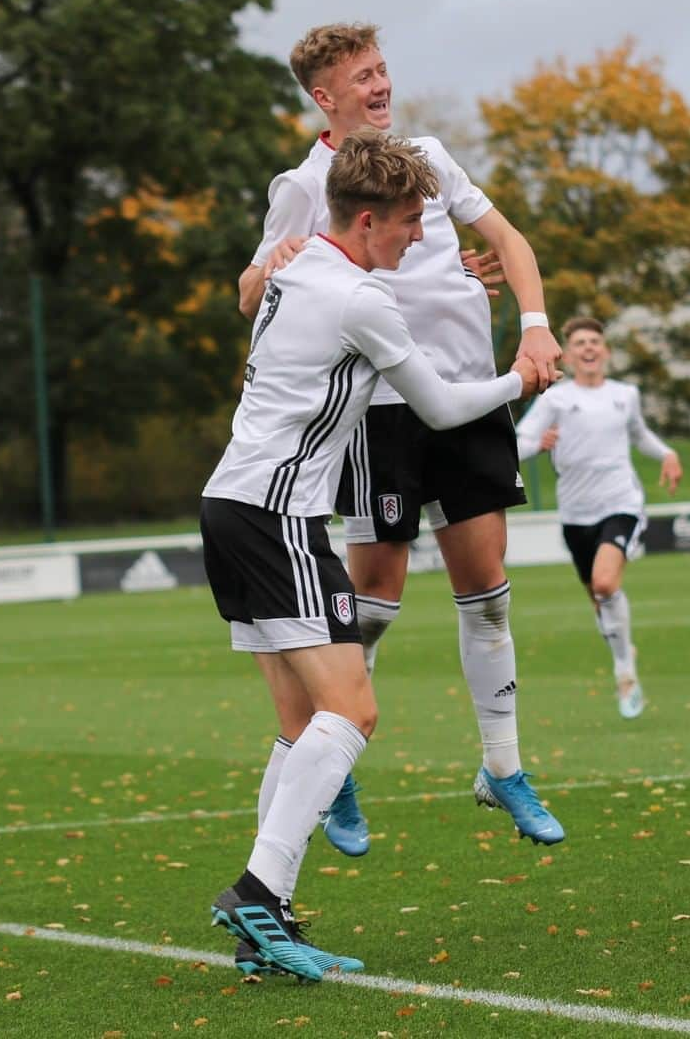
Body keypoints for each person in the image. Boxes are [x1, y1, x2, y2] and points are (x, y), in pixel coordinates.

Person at [203, 128, 540, 981]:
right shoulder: (359, 298)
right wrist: (523, 380)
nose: (419, 238)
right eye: (407, 224)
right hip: (277, 517)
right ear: (363, 217)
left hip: (232, 506)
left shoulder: (298, 268)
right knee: (352, 713)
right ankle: (256, 894)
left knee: (296, 729)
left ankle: (262, 928)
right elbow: (438, 406)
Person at [238, 23, 566, 856]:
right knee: (372, 602)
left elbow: (509, 242)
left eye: (383, 71)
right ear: (325, 96)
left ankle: (503, 767)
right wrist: (268, 263)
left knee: (487, 590)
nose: (381, 86)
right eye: (363, 77)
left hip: (470, 392)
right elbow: (250, 295)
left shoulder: (426, 152)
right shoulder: (303, 183)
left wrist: (533, 328)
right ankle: (336, 750)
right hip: (379, 413)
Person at [514, 318, 682, 719]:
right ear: (568, 356)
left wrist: (667, 454)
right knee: (598, 598)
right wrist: (539, 443)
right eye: (579, 343)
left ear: (605, 352)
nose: (588, 348)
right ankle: (623, 646)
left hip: (620, 502)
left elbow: (639, 435)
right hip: (575, 514)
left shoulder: (625, 395)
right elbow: (516, 443)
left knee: (606, 584)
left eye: (594, 342)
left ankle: (625, 671)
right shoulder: (555, 399)